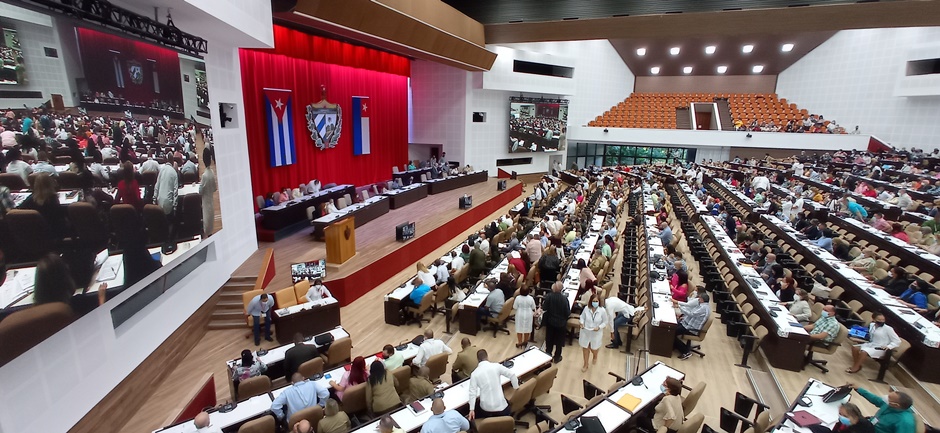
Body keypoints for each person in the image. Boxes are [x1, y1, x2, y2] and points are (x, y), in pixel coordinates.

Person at [467, 349, 518, 420]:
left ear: (477, 360)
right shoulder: (496, 366)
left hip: (486, 411)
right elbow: (512, 375)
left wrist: (471, 409)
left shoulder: (474, 374)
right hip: (502, 409)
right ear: (487, 357)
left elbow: (472, 392)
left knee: (477, 406)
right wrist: (516, 389)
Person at [846, 385, 916, 433]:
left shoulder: (905, 422)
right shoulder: (889, 404)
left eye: (889, 398)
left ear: (896, 405)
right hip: (869, 426)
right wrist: (859, 389)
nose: (886, 398)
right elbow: (876, 399)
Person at [21, 174, 67, 239]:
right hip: (54, 231)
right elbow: (59, 215)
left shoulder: (31, 199)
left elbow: (19, 210)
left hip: (35, 232)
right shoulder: (52, 199)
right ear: (51, 183)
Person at [672, 292, 710, 360]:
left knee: (671, 332)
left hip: (691, 328)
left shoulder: (703, 308)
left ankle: (685, 351)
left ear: (702, 300)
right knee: (672, 327)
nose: (698, 299)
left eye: (699, 298)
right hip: (687, 323)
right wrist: (683, 317)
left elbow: (691, 314)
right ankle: (674, 345)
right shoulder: (702, 305)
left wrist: (679, 307)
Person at [579, 293, 608, 372]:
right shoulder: (586, 308)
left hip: (596, 333)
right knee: (585, 348)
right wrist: (581, 322)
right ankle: (585, 364)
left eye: (596, 301)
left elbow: (605, 322)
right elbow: (582, 317)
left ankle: (595, 355)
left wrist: (599, 327)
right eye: (593, 301)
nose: (595, 302)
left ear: (599, 302)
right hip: (586, 331)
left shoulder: (602, 311)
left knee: (593, 348)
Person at [199, 148, 217, 236]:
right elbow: (214, 188)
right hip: (210, 199)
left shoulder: (204, 176)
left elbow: (200, 191)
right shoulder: (212, 173)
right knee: (210, 217)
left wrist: (200, 185)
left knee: (206, 217)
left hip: (205, 200)